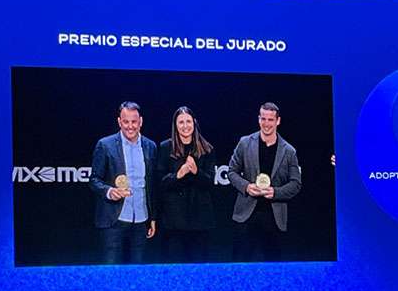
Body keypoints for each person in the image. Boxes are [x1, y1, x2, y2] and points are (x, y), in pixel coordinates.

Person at [228, 102, 301, 262]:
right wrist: (247, 187)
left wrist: (276, 192)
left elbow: (296, 184)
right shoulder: (245, 143)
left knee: (274, 267)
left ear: (278, 121)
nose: (266, 123)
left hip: (274, 217)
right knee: (240, 266)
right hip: (246, 215)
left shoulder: (289, 151)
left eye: (270, 119)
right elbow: (231, 172)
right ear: (258, 119)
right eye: (263, 119)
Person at [89, 101, 157, 264]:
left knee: (138, 271)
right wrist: (109, 191)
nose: (130, 126)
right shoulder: (105, 145)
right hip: (113, 220)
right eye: (126, 122)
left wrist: (153, 217)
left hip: (141, 219)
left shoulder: (151, 146)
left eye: (134, 121)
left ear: (141, 121)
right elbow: (94, 180)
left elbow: (152, 185)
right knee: (111, 271)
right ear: (119, 122)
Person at [157, 106, 216, 262]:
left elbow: (210, 184)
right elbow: (160, 183)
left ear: (194, 123)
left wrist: (196, 172)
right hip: (173, 222)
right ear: (175, 125)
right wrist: (178, 174)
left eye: (188, 121)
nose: (185, 126)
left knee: (199, 268)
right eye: (181, 122)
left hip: (200, 221)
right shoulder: (165, 148)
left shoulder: (207, 149)